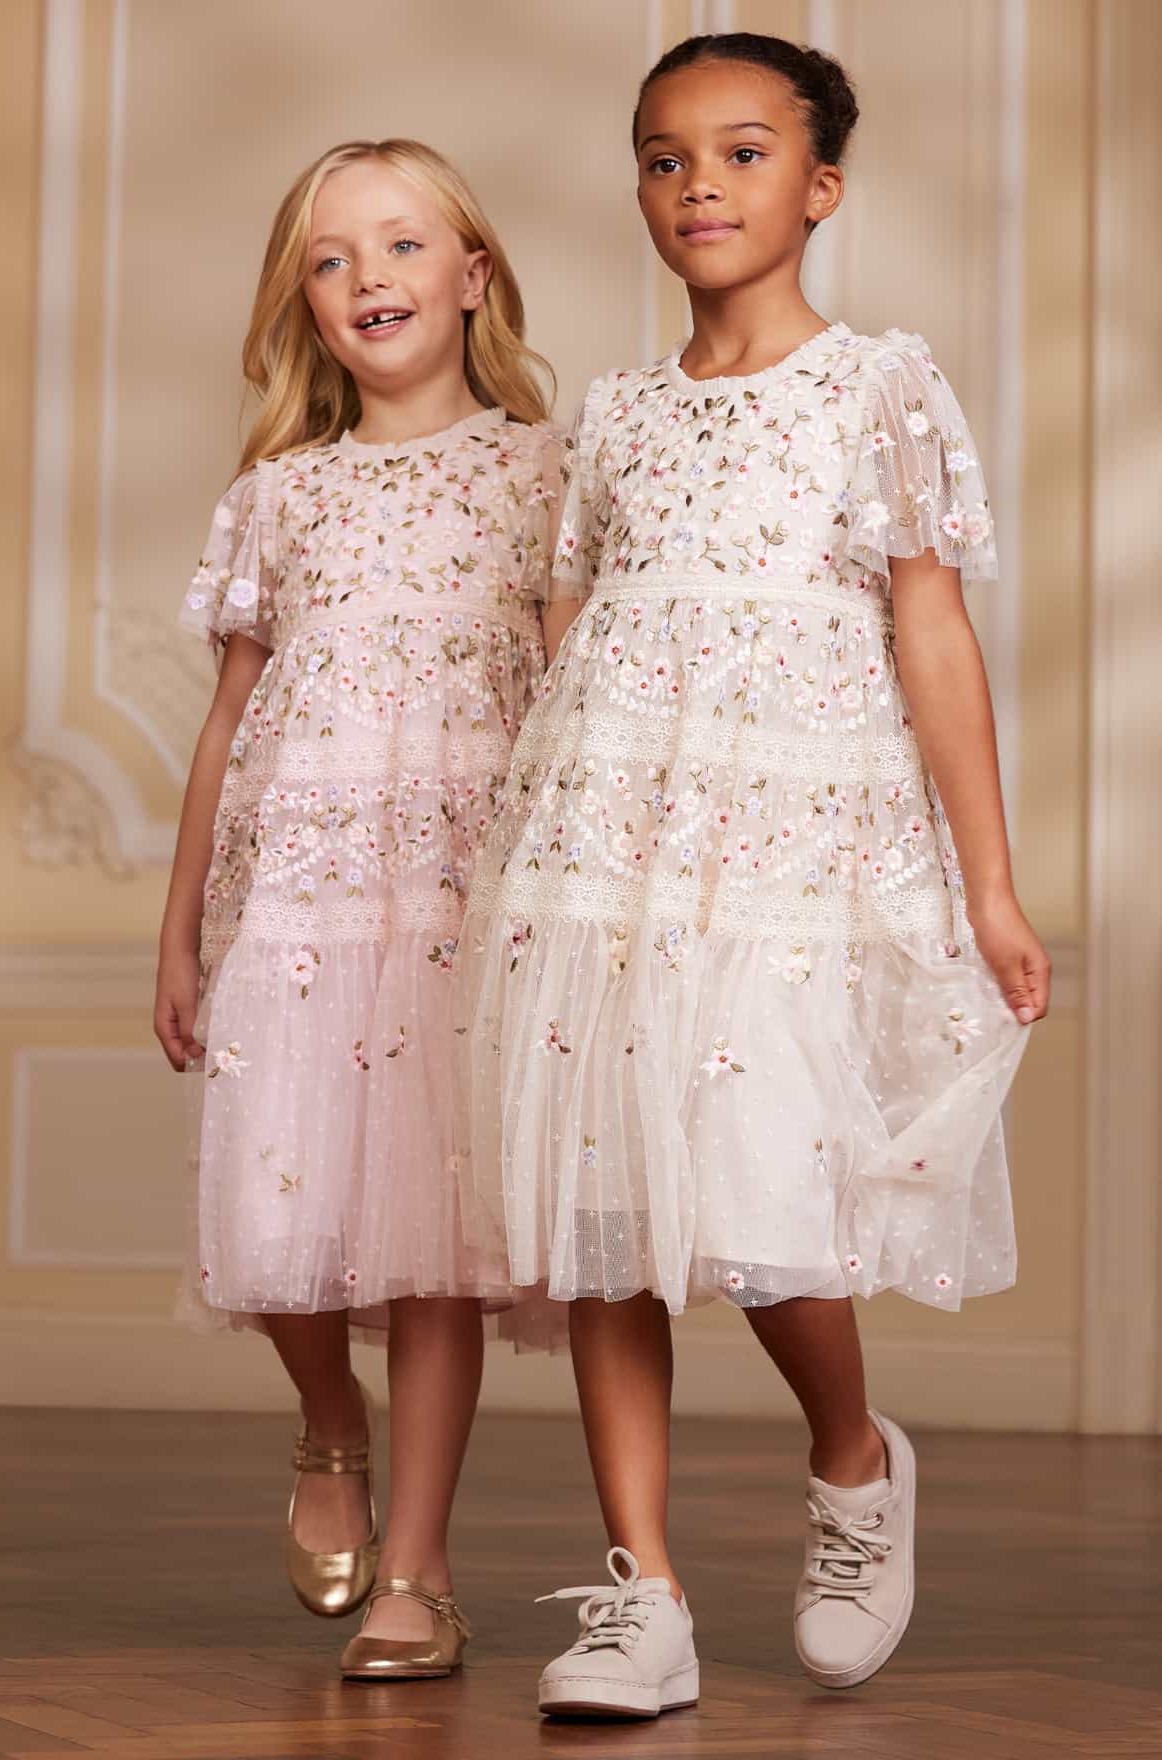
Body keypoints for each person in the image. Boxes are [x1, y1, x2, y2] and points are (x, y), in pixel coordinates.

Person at [453, 32, 1050, 1718]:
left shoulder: (877, 387)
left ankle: (853, 1463)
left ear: (821, 186)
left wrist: (990, 886)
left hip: (790, 853)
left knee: (772, 1208)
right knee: (603, 1223)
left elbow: (932, 631)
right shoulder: (620, 413)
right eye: (664, 157)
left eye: (741, 151)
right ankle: (641, 1595)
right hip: (608, 853)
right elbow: (574, 626)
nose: (698, 184)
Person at [154, 136, 562, 1682]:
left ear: (470, 277)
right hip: (298, 896)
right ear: (304, 303)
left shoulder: (544, 471)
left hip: (462, 895)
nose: (366, 278)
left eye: (399, 246)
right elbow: (226, 724)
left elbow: (570, 693)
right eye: (330, 260)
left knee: (430, 1234)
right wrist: (180, 931)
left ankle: (419, 1572)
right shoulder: (280, 496)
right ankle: (332, 1417)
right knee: (283, 1214)